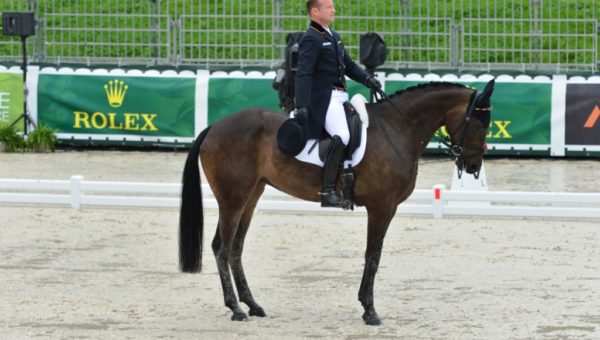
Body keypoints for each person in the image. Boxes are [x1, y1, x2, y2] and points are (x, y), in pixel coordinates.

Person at [294, 0, 381, 208]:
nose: (333, 10)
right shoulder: (311, 38)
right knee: (342, 135)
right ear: (315, 11)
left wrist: (367, 79)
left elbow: (349, 66)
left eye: (333, 6)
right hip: (325, 99)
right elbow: (304, 73)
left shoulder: (333, 37)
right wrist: (302, 105)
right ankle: (328, 191)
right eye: (328, 7)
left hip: (341, 97)